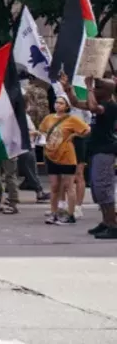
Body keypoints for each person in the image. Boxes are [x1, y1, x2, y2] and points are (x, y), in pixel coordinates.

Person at [59, 74, 117, 239]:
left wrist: (90, 87)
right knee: (98, 190)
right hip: (97, 150)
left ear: (106, 92)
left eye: (98, 88)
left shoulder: (109, 106)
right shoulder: (101, 103)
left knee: (104, 188)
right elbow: (77, 103)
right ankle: (106, 222)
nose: (94, 90)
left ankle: (113, 225)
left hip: (105, 151)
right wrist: (68, 90)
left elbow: (92, 108)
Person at [40, 94, 90, 225]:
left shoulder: (72, 119)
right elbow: (43, 131)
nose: (58, 105)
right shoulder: (48, 118)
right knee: (54, 186)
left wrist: (74, 134)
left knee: (69, 185)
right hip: (52, 155)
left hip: (67, 156)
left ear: (67, 106)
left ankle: (71, 213)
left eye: (61, 103)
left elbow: (87, 130)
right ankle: (54, 212)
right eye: (57, 102)